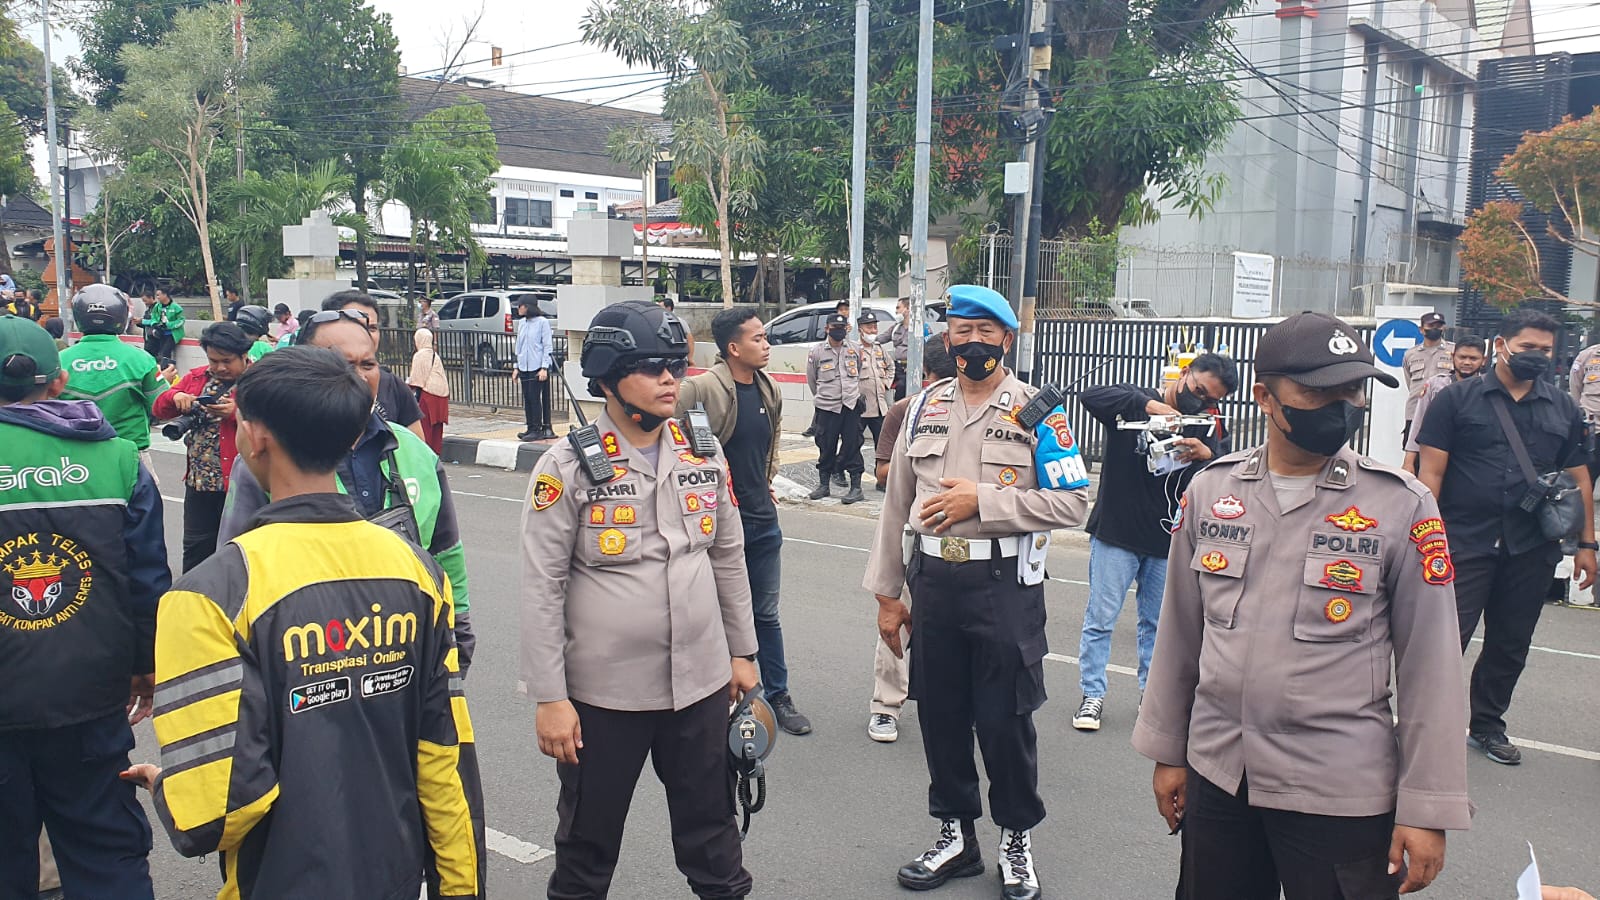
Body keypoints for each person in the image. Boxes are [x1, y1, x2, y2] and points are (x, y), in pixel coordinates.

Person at [1134, 311, 1472, 899]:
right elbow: (1180, 635)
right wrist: (1169, 752)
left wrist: (1426, 807)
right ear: (1265, 397)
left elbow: (1432, 667)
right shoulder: (1212, 490)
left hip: (1337, 788)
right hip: (1221, 772)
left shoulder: (1400, 505)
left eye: (1352, 391)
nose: (1341, 406)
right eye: (1319, 392)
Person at [146, 347, 483, 900]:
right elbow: (444, 759)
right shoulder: (419, 571)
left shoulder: (209, 595)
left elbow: (215, 811)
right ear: (350, 437)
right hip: (395, 877)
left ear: (255, 437)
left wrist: (166, 787)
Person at [521, 299, 758, 899]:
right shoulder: (567, 466)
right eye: (651, 367)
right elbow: (543, 587)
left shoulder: (702, 449)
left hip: (701, 684)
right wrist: (551, 698)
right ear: (607, 378)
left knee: (714, 837)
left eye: (675, 365)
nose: (670, 379)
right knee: (587, 845)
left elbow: (727, 555)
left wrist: (743, 653)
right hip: (605, 698)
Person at [864, 284, 1090, 900]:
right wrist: (888, 593)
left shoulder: (1037, 411)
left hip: (1002, 587)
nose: (972, 342)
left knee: (1004, 721)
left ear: (1006, 340)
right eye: (961, 331)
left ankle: (1016, 840)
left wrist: (984, 501)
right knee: (939, 716)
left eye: (985, 332)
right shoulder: (923, 407)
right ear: (948, 339)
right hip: (933, 583)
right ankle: (955, 836)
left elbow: (1073, 502)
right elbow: (895, 505)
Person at [0, 313, 169, 900]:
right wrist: (146, 667)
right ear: (58, 380)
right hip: (91, 696)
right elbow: (147, 578)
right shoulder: (117, 459)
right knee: (105, 856)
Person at [221, 309, 477, 672]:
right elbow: (236, 573)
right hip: (304, 657)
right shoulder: (270, 459)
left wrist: (458, 629)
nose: (357, 377)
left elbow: (446, 550)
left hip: (405, 648)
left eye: (368, 364)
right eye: (341, 366)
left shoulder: (414, 451)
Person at [1415, 309, 1596, 766]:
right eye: (1528, 347)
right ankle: (1425, 727)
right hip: (1462, 541)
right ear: (1501, 345)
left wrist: (1587, 545)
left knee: (1510, 643)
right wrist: (1424, 539)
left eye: (1545, 350)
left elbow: (1579, 479)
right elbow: (1430, 473)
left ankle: (1487, 725)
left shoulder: (1563, 407)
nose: (1537, 356)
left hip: (1531, 546)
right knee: (1444, 641)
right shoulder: (1455, 400)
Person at [1072, 353, 1238, 732]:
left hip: (1167, 539)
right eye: (1199, 391)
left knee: (1157, 626)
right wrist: (1149, 406)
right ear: (1185, 373)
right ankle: (1092, 695)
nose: (1201, 401)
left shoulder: (1208, 422)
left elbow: (1229, 473)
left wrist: (1207, 455)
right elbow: (1091, 396)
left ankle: (1151, 696)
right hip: (1116, 532)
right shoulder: (1134, 400)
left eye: (1212, 399)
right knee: (1101, 618)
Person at [677, 306, 813, 736]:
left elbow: (770, 445)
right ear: (733, 348)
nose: (766, 344)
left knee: (765, 615)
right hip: (718, 527)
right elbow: (669, 444)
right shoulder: (699, 389)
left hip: (762, 520)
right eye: (758, 338)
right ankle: (717, 699)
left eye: (765, 337)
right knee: (715, 615)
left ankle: (778, 696)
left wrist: (766, 481)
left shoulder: (769, 388)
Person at [867, 336, 956, 744]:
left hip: (967, 546)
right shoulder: (910, 410)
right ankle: (886, 706)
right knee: (897, 621)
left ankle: (960, 707)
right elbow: (882, 473)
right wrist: (926, 474)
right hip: (915, 538)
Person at [154, 322, 251, 572]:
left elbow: (278, 419)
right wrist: (175, 396)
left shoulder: (260, 380)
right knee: (196, 550)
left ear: (244, 355)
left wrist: (237, 413)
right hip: (200, 483)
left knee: (241, 550)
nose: (220, 367)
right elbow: (159, 409)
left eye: (227, 361)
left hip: (242, 485)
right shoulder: (197, 377)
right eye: (213, 360)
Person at [60, 285, 166, 481]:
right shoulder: (140, 360)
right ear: (121, 316)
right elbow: (162, 408)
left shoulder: (59, 360)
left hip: (73, 461)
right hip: (130, 457)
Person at [321, 290, 426, 441]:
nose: (365, 334)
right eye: (356, 326)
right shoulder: (315, 382)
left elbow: (417, 446)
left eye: (372, 328)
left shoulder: (393, 385)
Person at [807, 312, 867, 503]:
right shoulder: (817, 352)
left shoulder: (855, 349)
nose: (839, 331)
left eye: (842, 328)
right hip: (827, 407)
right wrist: (826, 396)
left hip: (850, 405)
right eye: (835, 328)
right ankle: (824, 486)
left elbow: (858, 372)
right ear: (827, 329)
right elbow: (812, 380)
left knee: (853, 445)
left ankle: (856, 488)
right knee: (826, 446)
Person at [1402, 337, 1486, 473]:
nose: (1467, 362)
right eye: (1462, 357)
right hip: (1434, 455)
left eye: (1473, 358)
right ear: (1453, 357)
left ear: (1484, 360)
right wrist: (1408, 462)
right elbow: (1418, 422)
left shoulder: (1488, 388)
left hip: (1473, 460)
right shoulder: (1436, 384)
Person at [1400, 311, 1453, 447]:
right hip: (1415, 411)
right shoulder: (1410, 354)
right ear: (1421, 329)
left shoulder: (1454, 351)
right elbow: (1409, 382)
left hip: (1444, 412)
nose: (1435, 329)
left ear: (1444, 328)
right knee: (1412, 451)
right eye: (1431, 326)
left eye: (1438, 326)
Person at [857, 308, 895, 484]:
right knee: (853, 444)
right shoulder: (854, 350)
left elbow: (891, 367)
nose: (873, 331)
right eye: (869, 327)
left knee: (883, 446)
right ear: (860, 329)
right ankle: (844, 472)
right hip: (861, 408)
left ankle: (882, 479)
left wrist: (886, 382)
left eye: (874, 327)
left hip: (880, 407)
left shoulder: (879, 349)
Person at [516, 298, 555, 441]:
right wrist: (516, 366)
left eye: (521, 306)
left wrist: (544, 367)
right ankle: (530, 427)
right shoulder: (522, 323)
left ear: (528, 307)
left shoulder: (542, 322)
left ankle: (537, 428)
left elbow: (547, 346)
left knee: (534, 397)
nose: (519, 309)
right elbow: (519, 346)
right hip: (524, 366)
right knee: (527, 397)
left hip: (536, 366)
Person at [409, 326, 451, 454]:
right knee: (437, 431)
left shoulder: (420, 355)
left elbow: (416, 380)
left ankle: (425, 455)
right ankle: (435, 456)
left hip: (429, 396)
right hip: (442, 396)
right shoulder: (434, 355)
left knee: (425, 429)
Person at [139, 288, 184, 365]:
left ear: (165, 295)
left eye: (158, 295)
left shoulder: (176, 307)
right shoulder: (157, 307)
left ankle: (167, 369)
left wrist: (168, 325)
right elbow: (154, 318)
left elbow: (181, 320)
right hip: (161, 333)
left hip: (172, 334)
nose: (157, 297)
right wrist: (155, 324)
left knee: (165, 353)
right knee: (161, 354)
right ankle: (164, 369)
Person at [887, 297, 913, 400]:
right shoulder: (896, 327)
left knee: (902, 386)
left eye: (898, 308)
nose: (896, 311)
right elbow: (880, 338)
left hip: (912, 367)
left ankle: (899, 406)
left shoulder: (921, 328)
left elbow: (928, 348)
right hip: (897, 367)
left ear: (908, 309)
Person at [660, 295, 696, 362]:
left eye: (661, 307)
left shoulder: (680, 322)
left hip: (678, 358)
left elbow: (690, 340)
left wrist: (690, 359)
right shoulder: (659, 322)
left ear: (668, 308)